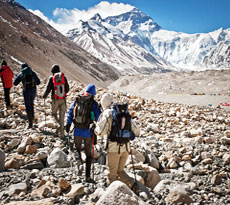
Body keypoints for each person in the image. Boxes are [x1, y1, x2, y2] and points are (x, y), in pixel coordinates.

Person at [94, 93, 140, 188]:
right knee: (120, 171)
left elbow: (100, 133)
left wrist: (94, 128)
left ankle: (113, 196)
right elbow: (137, 131)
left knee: (112, 175)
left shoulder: (107, 113)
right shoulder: (124, 112)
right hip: (126, 148)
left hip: (113, 149)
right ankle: (133, 185)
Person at [66, 84, 101, 183]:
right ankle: (87, 177)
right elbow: (98, 117)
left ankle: (79, 164)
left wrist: (68, 124)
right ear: (94, 93)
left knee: (77, 149)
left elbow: (70, 112)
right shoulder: (93, 103)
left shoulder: (78, 99)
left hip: (77, 130)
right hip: (88, 133)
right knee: (89, 153)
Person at [43, 64, 69, 139]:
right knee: (62, 116)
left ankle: (58, 125)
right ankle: (62, 134)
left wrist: (44, 96)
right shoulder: (63, 77)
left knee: (54, 114)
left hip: (55, 99)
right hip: (63, 99)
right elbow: (67, 89)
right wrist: (63, 94)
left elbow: (48, 89)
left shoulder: (52, 78)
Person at [14, 62, 40, 128]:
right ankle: (33, 119)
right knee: (31, 103)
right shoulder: (32, 72)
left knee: (28, 106)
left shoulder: (22, 73)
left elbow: (15, 83)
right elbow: (38, 82)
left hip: (26, 91)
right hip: (33, 90)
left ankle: (30, 123)